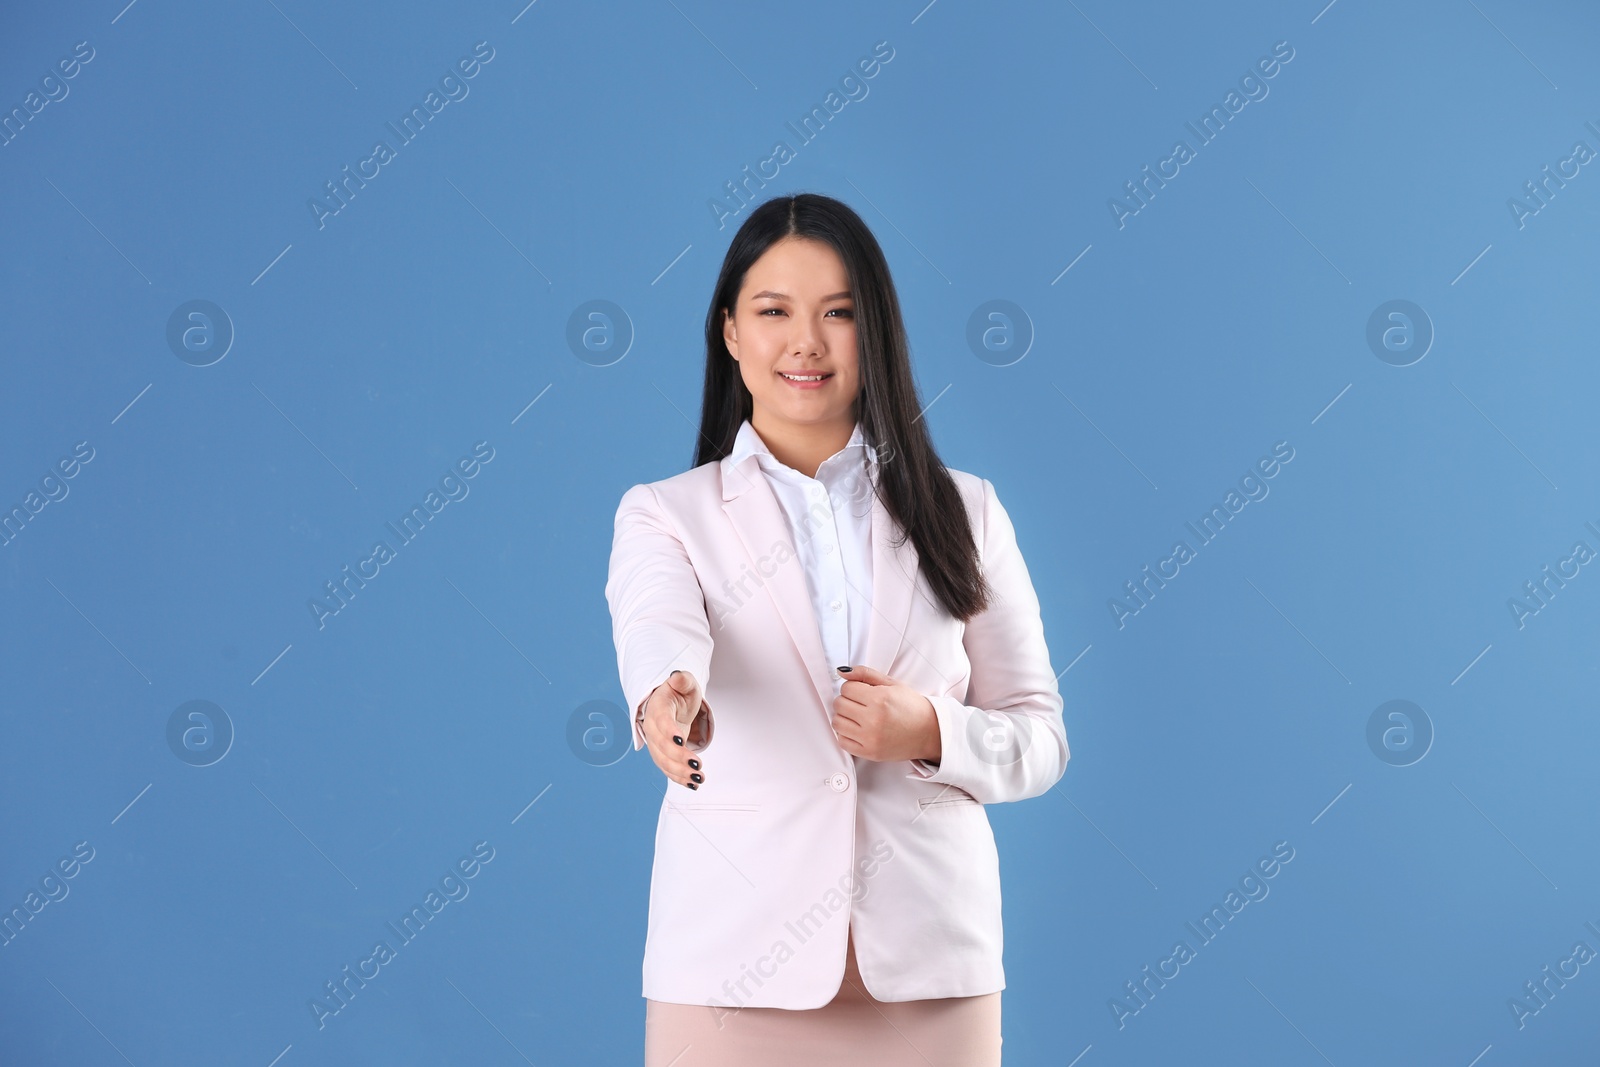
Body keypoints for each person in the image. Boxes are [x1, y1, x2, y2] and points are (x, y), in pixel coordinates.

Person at [604, 192, 1069, 1066]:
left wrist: (930, 729)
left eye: (839, 313)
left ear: (877, 332)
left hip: (931, 973)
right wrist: (667, 697)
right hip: (730, 972)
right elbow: (658, 625)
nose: (806, 341)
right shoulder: (667, 514)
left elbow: (1041, 738)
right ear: (731, 332)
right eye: (773, 311)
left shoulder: (966, 511)